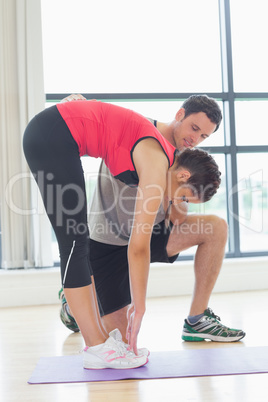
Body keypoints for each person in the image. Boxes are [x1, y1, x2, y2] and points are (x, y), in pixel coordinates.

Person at [23, 99, 221, 369]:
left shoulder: (165, 158)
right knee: (74, 243)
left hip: (55, 133)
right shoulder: (155, 163)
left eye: (204, 136)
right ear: (183, 175)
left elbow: (109, 121)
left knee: (76, 246)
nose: (178, 200)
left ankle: (98, 340)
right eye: (184, 195)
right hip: (53, 135)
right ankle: (95, 346)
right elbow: (137, 248)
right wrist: (139, 308)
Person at [59, 95, 245, 343]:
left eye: (203, 137)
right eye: (194, 128)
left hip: (149, 234)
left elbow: (177, 219)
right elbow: (96, 123)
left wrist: (178, 200)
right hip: (108, 242)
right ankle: (72, 304)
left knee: (216, 227)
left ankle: (197, 320)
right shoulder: (137, 130)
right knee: (119, 339)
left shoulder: (185, 159)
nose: (195, 139)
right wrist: (76, 102)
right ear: (179, 115)